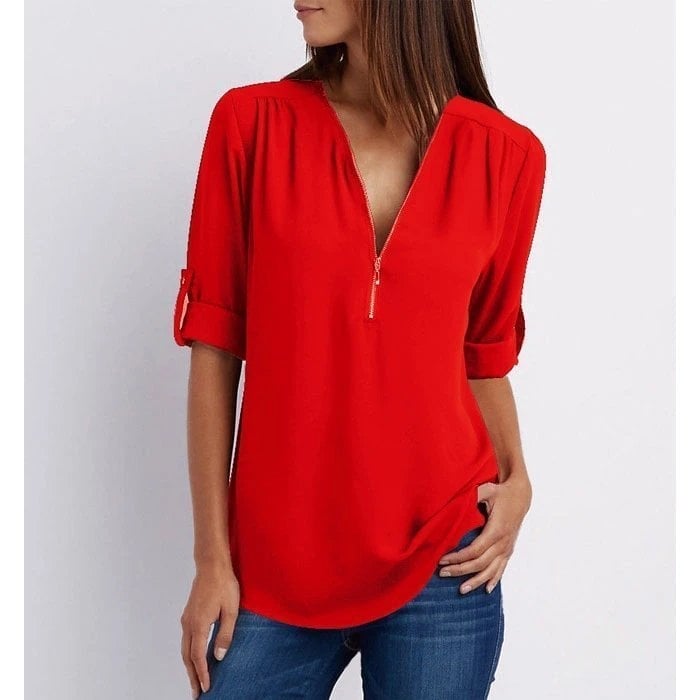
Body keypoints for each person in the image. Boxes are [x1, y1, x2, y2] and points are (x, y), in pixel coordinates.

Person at [173, 1, 547, 698]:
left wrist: (518, 477)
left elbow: (482, 355)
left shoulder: (507, 155)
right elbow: (215, 348)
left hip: (445, 559)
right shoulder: (252, 123)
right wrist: (211, 561)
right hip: (275, 567)